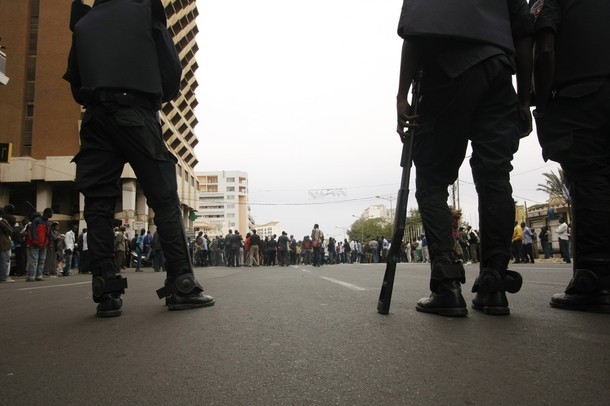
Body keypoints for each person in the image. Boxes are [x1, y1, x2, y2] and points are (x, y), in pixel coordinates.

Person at [63, 0, 214, 317]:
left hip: (95, 118)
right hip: (136, 112)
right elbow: (172, 73)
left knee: (99, 203)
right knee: (163, 197)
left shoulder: (84, 20)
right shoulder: (147, 10)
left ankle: (105, 290)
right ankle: (181, 284)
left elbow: (76, 83)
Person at [396, 0, 533, 316]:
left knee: (431, 178)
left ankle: (447, 285)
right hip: (499, 73)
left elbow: (414, 33)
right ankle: (494, 284)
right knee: (495, 175)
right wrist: (524, 99)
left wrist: (401, 96)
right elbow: (525, 34)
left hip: (446, 71)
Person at [532, 0, 609, 313]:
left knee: (590, 178)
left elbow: (545, 48)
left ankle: (594, 278)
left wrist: (541, 99)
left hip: (583, 93)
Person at [26, 209, 53, 282]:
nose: (52, 214)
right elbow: (32, 231)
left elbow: (49, 234)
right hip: (36, 244)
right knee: (34, 260)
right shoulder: (36, 221)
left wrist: (49, 243)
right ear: (47, 213)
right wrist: (35, 240)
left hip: (43, 245)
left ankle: (39, 275)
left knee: (41, 260)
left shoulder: (47, 222)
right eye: (51, 213)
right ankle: (31, 276)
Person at [0, 207, 14, 283]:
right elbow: (10, 230)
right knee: (4, 261)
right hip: (3, 243)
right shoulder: (2, 221)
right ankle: (3, 277)